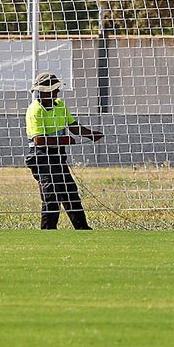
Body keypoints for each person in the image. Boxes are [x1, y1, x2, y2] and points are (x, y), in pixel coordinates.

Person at [25, 71, 102, 230]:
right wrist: (65, 140)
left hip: (57, 156)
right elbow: (38, 140)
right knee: (51, 197)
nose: (58, 92)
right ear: (45, 92)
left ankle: (82, 229)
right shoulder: (35, 110)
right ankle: (48, 232)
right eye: (55, 89)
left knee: (70, 193)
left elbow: (73, 126)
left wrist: (90, 134)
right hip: (41, 158)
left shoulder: (60, 105)